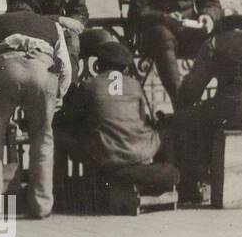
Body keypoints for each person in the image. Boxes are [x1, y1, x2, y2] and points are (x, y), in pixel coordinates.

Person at [0, 9, 71, 218]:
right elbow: (66, 67)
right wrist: (59, 94)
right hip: (43, 70)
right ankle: (41, 205)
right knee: (43, 137)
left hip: (4, 68)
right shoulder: (52, 25)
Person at [173, 15, 242, 204]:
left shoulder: (214, 43)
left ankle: (191, 187)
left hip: (233, 109)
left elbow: (192, 90)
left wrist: (185, 99)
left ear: (223, 28)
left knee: (185, 120)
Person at [54, 41, 162, 172]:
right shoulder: (135, 85)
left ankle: (59, 185)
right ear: (126, 68)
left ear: (98, 65)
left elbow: (69, 117)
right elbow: (142, 118)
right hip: (138, 152)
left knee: (58, 133)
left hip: (104, 155)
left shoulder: (89, 85)